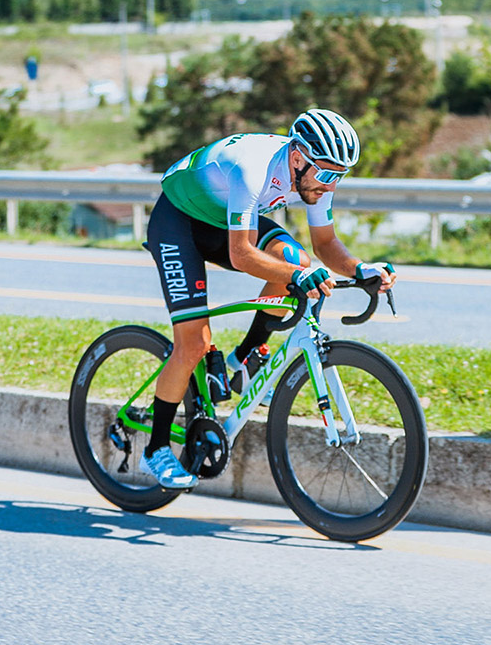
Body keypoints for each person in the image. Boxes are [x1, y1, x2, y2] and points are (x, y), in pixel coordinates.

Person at [140, 108, 396, 489]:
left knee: (295, 258)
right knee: (193, 344)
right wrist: (299, 277)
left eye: (339, 177)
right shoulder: (252, 169)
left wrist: (361, 269)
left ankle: (245, 358)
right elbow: (241, 253)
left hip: (218, 218)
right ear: (298, 158)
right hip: (178, 221)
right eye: (326, 175)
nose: (330, 186)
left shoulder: (314, 174)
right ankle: (156, 449)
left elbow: (324, 244)